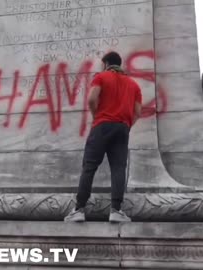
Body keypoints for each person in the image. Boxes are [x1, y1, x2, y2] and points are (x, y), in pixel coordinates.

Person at [65, 52, 142, 223]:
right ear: (120, 64)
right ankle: (116, 210)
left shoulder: (101, 77)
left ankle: (79, 209)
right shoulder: (134, 85)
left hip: (102, 125)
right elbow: (138, 112)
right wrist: (127, 125)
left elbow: (92, 99)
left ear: (106, 63)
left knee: (89, 167)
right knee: (118, 168)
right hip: (122, 128)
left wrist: (96, 116)